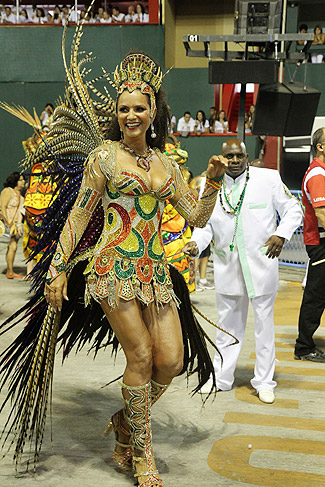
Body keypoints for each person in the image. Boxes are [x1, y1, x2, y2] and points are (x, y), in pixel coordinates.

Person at [0, 44, 227, 487]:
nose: (130, 116)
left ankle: (125, 420)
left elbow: (197, 217)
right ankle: (139, 453)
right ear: (117, 112)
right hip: (112, 270)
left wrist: (214, 181)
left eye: (138, 108)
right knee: (141, 357)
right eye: (123, 108)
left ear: (153, 110)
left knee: (172, 362)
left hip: (156, 273)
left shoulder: (165, 162)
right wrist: (59, 268)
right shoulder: (104, 157)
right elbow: (81, 212)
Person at [184, 139, 302, 403]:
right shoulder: (210, 184)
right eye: (229, 156)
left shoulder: (268, 179)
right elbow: (204, 226)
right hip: (227, 268)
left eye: (239, 156)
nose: (234, 161)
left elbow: (293, 209)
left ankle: (264, 381)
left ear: (247, 156)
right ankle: (221, 377)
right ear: (222, 157)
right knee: (226, 327)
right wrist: (196, 243)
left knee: (264, 327)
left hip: (261, 267)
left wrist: (280, 234)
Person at [294, 128, 325, 363]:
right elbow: (322, 214)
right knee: (315, 295)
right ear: (320, 147)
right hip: (321, 243)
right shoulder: (317, 175)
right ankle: (304, 347)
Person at [0, 172, 25, 279]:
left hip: (14, 225)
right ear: (15, 181)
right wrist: (6, 222)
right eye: (21, 180)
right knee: (7, 246)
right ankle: (9, 271)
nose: (23, 182)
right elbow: (3, 207)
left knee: (13, 247)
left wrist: (18, 225)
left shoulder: (21, 197)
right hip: (5, 223)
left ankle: (10, 271)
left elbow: (20, 212)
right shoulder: (7, 191)